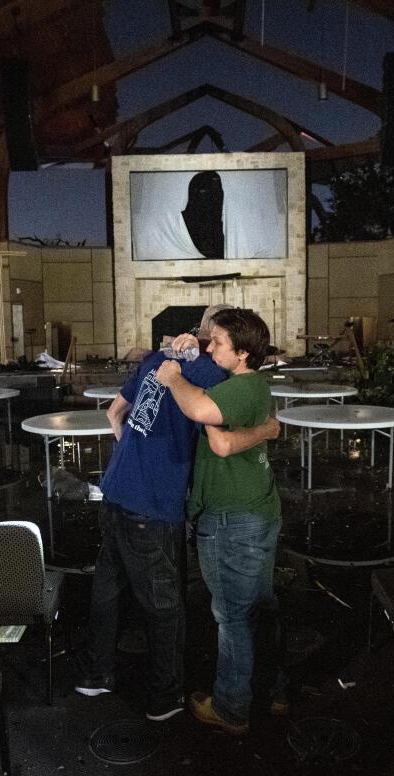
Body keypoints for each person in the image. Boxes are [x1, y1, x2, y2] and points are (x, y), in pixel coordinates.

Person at [75, 304, 278, 722]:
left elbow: (116, 413)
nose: (213, 343)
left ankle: (98, 674)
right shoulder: (213, 376)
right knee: (164, 604)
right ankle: (165, 697)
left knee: (108, 589)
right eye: (215, 338)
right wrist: (269, 427)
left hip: (115, 489)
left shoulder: (159, 356)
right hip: (153, 503)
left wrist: (133, 460)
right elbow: (217, 423)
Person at [155, 307, 280, 735]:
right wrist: (192, 342)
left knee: (232, 617)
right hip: (255, 511)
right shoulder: (250, 383)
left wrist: (173, 379)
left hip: (233, 519)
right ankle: (272, 688)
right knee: (258, 607)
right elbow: (228, 440)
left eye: (219, 343)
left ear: (243, 354)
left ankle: (230, 707)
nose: (211, 347)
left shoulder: (241, 388)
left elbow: (202, 414)